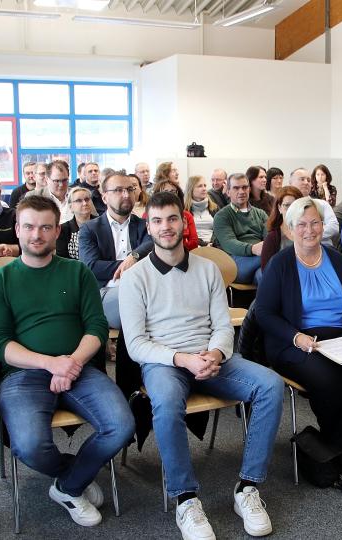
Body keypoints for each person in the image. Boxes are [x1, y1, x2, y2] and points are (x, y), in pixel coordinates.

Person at [120, 191, 284, 539]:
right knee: (164, 403)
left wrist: (216, 354)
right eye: (158, 221)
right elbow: (136, 345)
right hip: (165, 363)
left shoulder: (208, 269)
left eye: (172, 219)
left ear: (184, 221)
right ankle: (185, 498)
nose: (166, 227)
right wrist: (184, 359)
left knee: (270, 385)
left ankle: (248, 488)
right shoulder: (135, 278)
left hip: (210, 358)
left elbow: (223, 326)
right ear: (148, 227)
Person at [0, 195, 134, 529]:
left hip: (78, 368)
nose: (37, 234)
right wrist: (51, 364)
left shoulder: (76, 272)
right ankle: (74, 474)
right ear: (18, 230)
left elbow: (96, 326)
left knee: (122, 426)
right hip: (24, 374)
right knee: (31, 446)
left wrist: (72, 363)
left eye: (46, 227)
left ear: (56, 232)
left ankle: (67, 488)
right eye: (30, 226)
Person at [255, 197, 342, 485]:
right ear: (289, 230)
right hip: (297, 341)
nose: (309, 230)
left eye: (315, 223)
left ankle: (337, 447)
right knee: (328, 380)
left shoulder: (337, 260)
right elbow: (263, 313)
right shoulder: (280, 264)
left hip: (341, 338)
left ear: (323, 226)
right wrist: (295, 336)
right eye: (302, 224)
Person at [79, 172, 153, 330]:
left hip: (144, 289)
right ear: (104, 197)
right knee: (134, 300)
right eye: (119, 190)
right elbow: (92, 267)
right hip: (107, 291)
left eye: (130, 189)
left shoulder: (144, 225)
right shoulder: (90, 229)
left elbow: (153, 243)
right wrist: (129, 267)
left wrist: (134, 256)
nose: (126, 195)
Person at [212, 173, 267, 285]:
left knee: (263, 275)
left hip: (260, 261)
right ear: (228, 192)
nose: (241, 191)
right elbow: (229, 243)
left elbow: (270, 237)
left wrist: (267, 248)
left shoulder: (260, 214)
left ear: (249, 189)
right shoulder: (222, 216)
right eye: (236, 188)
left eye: (245, 187)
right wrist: (253, 249)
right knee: (273, 260)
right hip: (235, 261)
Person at [289, 168, 339, 245]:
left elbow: (334, 227)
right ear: (291, 183)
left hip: (324, 249)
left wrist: (308, 236)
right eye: (302, 179)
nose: (306, 182)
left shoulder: (322, 204)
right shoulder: (286, 206)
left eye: (308, 180)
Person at [150, 180, 199, 252]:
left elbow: (194, 242)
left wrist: (177, 249)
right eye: (165, 191)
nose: (170, 195)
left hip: (185, 253)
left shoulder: (186, 215)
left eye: (173, 191)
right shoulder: (149, 215)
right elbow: (150, 243)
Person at [260, 186, 301, 270]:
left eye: (295, 205)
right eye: (287, 205)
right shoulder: (272, 237)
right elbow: (267, 272)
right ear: (279, 208)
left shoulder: (308, 232)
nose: (291, 210)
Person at [57, 187, 97, 260]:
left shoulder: (102, 224)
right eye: (79, 200)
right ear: (70, 207)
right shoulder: (63, 229)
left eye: (87, 199)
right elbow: (62, 259)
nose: (85, 203)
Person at [185, 175, 219, 246]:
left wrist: (212, 243)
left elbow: (220, 229)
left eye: (205, 186)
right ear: (191, 189)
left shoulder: (215, 208)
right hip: (194, 246)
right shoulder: (184, 210)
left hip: (214, 246)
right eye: (200, 186)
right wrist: (204, 244)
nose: (204, 189)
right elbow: (186, 234)